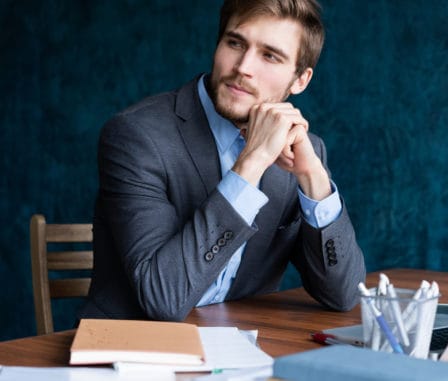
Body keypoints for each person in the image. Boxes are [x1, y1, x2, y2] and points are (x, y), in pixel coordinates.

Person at [79, 0, 366, 322]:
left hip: (242, 352)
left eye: (269, 56)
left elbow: (343, 295)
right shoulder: (138, 135)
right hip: (131, 350)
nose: (243, 67)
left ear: (300, 80)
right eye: (235, 43)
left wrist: (314, 180)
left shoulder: (304, 152)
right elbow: (163, 299)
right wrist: (252, 162)